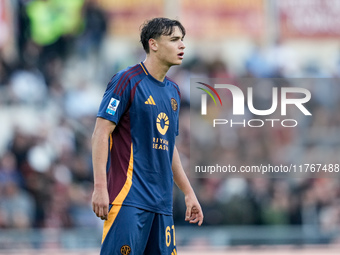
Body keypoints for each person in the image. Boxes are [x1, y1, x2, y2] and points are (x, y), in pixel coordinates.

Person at [91, 17, 203, 255]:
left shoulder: (174, 92)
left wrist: (188, 192)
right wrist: (100, 187)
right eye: (174, 40)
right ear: (153, 44)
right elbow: (101, 132)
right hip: (128, 200)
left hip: (162, 205)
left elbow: (169, 147)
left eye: (183, 40)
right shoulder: (126, 80)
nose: (182, 45)